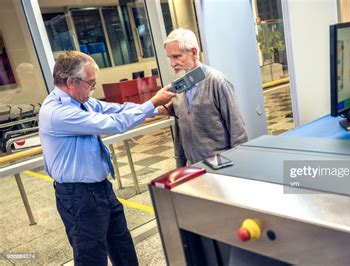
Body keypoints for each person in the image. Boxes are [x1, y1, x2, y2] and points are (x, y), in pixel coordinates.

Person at [39, 51, 175, 265]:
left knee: (122, 246)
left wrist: (156, 110)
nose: (94, 89)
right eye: (91, 83)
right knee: (91, 256)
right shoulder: (57, 112)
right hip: (78, 196)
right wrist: (151, 102)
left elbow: (117, 110)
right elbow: (114, 124)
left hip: (101, 189)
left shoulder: (83, 102)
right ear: (71, 82)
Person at [161, 28, 248, 167]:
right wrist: (180, 167)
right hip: (193, 169)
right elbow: (179, 133)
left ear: (194, 52)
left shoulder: (217, 82)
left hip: (222, 167)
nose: (172, 63)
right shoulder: (177, 87)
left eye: (177, 56)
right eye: (170, 58)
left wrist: (239, 168)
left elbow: (238, 131)